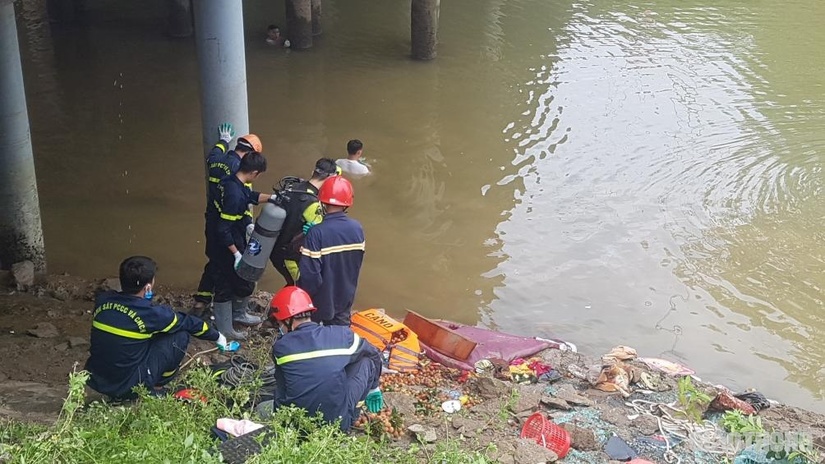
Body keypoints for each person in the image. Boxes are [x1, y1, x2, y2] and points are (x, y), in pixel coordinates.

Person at [85, 256, 227, 400]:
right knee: (180, 335)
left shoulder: (103, 300)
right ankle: (156, 387)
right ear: (147, 287)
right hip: (128, 385)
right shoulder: (152, 313)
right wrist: (217, 336)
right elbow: (188, 323)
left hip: (97, 379)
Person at [269, 286, 382, 431]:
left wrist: (281, 427)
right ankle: (351, 418)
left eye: (279, 323)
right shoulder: (342, 335)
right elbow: (373, 354)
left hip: (297, 426)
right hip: (337, 426)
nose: (280, 327)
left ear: (287, 320)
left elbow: (281, 390)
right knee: (366, 361)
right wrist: (374, 387)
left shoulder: (281, 348)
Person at [192, 126, 264, 317]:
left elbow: (212, 156)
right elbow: (242, 198)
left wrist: (223, 141)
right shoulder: (238, 174)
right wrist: (248, 221)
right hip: (227, 221)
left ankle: (202, 300)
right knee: (226, 267)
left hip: (212, 217)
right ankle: (227, 307)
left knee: (215, 260)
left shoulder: (218, 162)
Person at [210, 151, 273, 340]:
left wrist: (272, 198)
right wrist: (236, 253)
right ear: (254, 173)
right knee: (225, 283)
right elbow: (223, 229)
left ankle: (238, 314)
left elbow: (250, 195)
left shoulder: (232, 180)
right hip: (225, 243)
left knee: (242, 280)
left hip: (232, 236)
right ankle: (224, 328)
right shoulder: (234, 195)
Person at [297, 176, 365, 326]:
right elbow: (354, 265)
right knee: (340, 337)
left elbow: (310, 277)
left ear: (321, 201)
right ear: (347, 203)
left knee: (313, 335)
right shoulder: (358, 229)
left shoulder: (316, 233)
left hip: (319, 302)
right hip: (345, 296)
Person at [268, 158, 340, 286]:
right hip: (288, 256)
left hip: (275, 247)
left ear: (313, 171)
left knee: (294, 284)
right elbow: (323, 235)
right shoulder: (312, 203)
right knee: (300, 287)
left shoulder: (294, 187)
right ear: (329, 179)